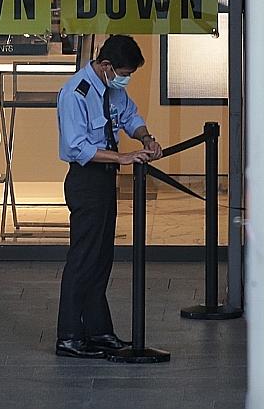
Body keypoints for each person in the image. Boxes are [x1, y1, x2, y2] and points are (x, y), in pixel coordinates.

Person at [53, 35, 164, 359]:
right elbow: (77, 147)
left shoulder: (112, 88)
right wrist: (123, 158)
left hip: (104, 181)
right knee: (83, 258)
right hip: (86, 180)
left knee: (101, 257)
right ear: (105, 66)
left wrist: (146, 139)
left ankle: (99, 330)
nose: (125, 78)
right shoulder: (76, 92)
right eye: (123, 72)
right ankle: (70, 335)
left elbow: (129, 116)